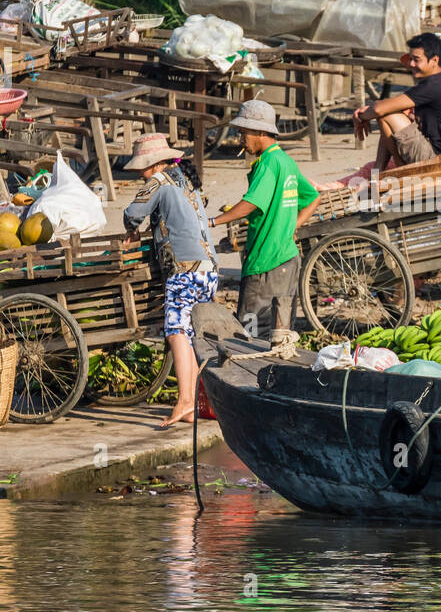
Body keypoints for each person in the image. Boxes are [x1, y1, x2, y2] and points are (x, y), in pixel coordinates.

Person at [121, 133, 217, 428]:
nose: (140, 173)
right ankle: (189, 403)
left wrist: (133, 229)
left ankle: (186, 400)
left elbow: (132, 213)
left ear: (150, 164)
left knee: (176, 331)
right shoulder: (186, 181)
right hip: (209, 270)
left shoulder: (159, 181)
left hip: (185, 270)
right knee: (190, 336)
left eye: (141, 167)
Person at [211, 100, 320, 340]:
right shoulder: (285, 161)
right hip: (288, 260)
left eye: (244, 133)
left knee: (250, 335)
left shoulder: (269, 164)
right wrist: (292, 226)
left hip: (265, 263)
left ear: (260, 132)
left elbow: (251, 203)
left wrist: (213, 222)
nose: (240, 139)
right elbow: (312, 197)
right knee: (280, 332)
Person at [353, 31, 441, 170]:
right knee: (388, 112)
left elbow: (379, 109)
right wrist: (369, 112)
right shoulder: (439, 82)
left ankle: (401, 171)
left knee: (387, 115)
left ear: (434, 60)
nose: (411, 64)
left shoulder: (434, 85)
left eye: (416, 59)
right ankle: (380, 171)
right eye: (410, 59)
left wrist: (361, 117)